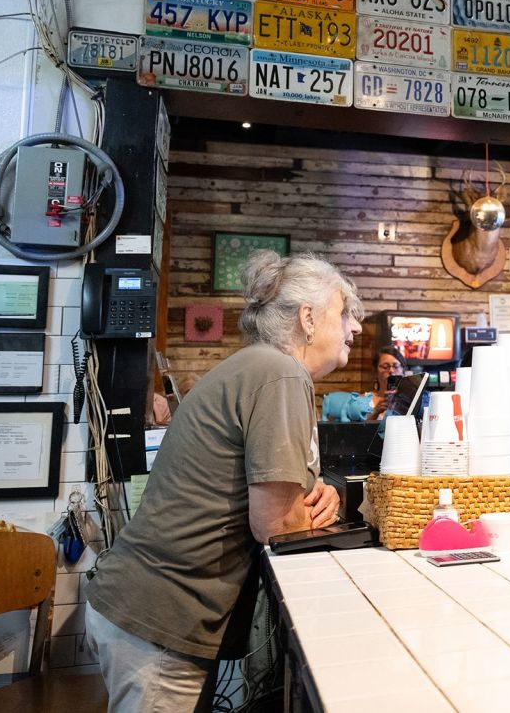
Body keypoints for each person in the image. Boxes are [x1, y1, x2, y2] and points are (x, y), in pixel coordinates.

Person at [85, 251, 362, 711]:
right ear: (308, 318)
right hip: (160, 617)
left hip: (144, 608)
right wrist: (299, 512)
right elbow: (275, 524)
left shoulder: (258, 366)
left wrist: (309, 497)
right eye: (343, 313)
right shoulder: (280, 374)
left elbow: (282, 495)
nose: (353, 328)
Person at [367, 346, 406, 421]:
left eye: (396, 366)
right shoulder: (364, 400)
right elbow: (358, 429)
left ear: (403, 371)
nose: (391, 370)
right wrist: (375, 411)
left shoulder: (411, 399)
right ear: (376, 371)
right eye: (385, 367)